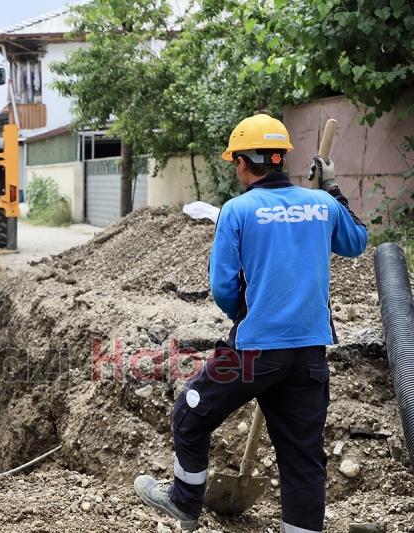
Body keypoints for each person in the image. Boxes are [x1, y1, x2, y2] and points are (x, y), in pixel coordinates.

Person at [133, 114, 368, 531]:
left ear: (242, 162)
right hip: (310, 354)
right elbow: (357, 243)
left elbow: (223, 287)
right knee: (302, 458)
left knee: (191, 412)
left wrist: (249, 312)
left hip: (253, 351)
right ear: (280, 160)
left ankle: (185, 502)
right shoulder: (322, 204)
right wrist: (331, 188)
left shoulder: (237, 210)